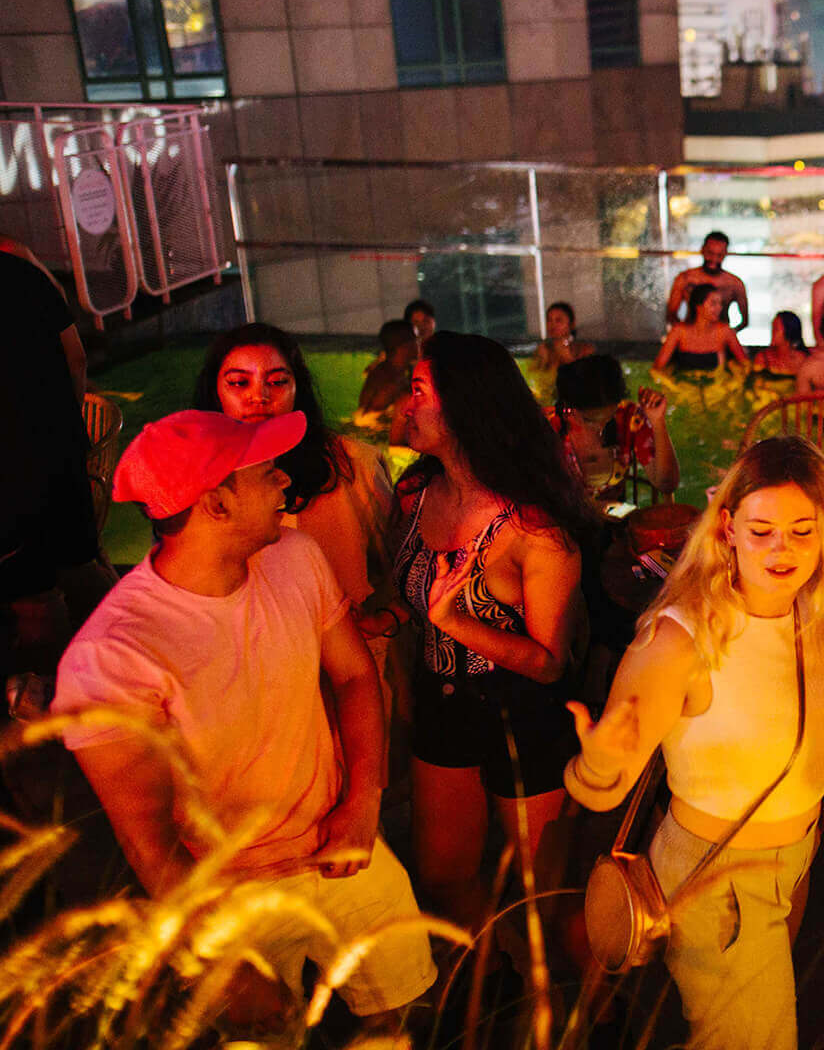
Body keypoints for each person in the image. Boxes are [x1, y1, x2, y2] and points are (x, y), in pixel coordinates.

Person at [52, 410, 435, 1024]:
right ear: (215, 505)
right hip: (230, 896)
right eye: (264, 472)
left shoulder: (296, 555)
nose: (285, 480)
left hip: (342, 846)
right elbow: (152, 849)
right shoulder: (112, 658)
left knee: (401, 1012)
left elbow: (357, 675)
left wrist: (363, 803)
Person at [563, 437, 824, 1050]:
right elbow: (601, 791)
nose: (783, 550)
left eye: (803, 531)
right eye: (763, 531)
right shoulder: (683, 638)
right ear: (726, 528)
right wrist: (598, 762)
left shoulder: (815, 612)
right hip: (719, 881)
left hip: (795, 862)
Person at [393, 332, 595, 938]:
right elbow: (412, 597)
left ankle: (580, 1011)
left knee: (545, 897)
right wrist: (390, 619)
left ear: (463, 407)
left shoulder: (531, 527)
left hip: (524, 715)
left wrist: (455, 623)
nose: (407, 406)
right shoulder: (413, 493)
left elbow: (549, 662)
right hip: (443, 703)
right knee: (444, 877)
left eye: (419, 392)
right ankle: (499, 977)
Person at [195, 325, 399, 647]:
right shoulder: (196, 480)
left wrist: (387, 618)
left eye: (277, 382)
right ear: (214, 392)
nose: (258, 397)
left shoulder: (352, 465)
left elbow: (400, 564)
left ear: (298, 389)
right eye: (238, 383)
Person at [0, 246, 107, 714]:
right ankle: (123, 663)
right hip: (60, 455)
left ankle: (57, 700)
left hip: (11, 480)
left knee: (34, 600)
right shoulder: (25, 272)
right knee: (82, 563)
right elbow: (77, 358)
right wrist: (63, 423)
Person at [550, 354, 679, 500]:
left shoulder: (629, 417)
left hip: (615, 518)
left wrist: (657, 421)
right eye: (589, 420)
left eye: (609, 418)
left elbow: (667, 484)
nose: (600, 428)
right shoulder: (549, 428)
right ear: (569, 408)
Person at [653, 283, 750, 376]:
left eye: (720, 304)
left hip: (715, 387)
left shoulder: (725, 331)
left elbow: (745, 364)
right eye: (713, 303)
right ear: (698, 306)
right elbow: (658, 367)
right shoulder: (679, 331)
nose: (719, 308)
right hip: (684, 385)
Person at [664, 230, 749, 331]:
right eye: (710, 253)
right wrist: (686, 336)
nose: (714, 260)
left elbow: (744, 321)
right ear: (702, 250)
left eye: (719, 255)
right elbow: (671, 315)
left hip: (721, 342)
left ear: (725, 254)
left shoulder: (734, 283)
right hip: (690, 341)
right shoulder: (685, 279)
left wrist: (726, 337)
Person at [355, 319, 416, 433]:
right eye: (415, 339)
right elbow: (364, 419)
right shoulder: (391, 380)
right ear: (404, 346)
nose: (419, 343)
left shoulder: (392, 371)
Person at [532, 301, 596, 374]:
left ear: (572, 324)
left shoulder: (585, 349)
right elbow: (531, 377)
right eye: (549, 320)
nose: (552, 325)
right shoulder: (543, 349)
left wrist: (567, 358)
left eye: (558, 320)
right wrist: (543, 363)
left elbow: (588, 378)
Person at [755, 311, 810, 377]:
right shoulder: (763, 358)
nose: (772, 333)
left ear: (789, 331)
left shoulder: (801, 360)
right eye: (772, 328)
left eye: (776, 329)